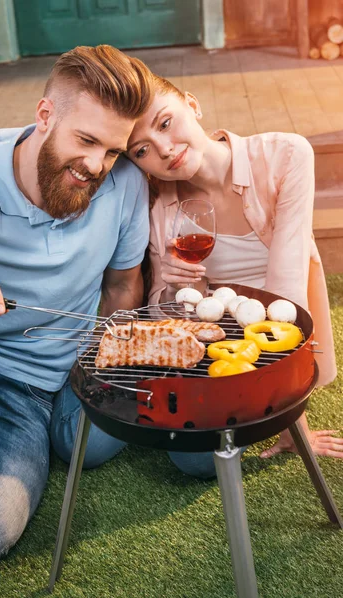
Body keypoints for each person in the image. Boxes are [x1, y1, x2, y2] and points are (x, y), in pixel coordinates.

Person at [0, 45, 155, 566]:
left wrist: (102, 366)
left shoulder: (124, 185)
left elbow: (124, 287)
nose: (95, 166)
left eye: (111, 150)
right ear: (44, 116)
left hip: (25, 393)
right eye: (85, 141)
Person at [126, 74, 343, 476]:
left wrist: (294, 424)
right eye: (142, 150)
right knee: (193, 461)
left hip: (279, 330)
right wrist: (178, 288)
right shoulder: (160, 207)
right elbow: (159, 310)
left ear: (192, 104)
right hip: (218, 341)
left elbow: (287, 291)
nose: (165, 149)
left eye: (166, 123)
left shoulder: (286, 155)